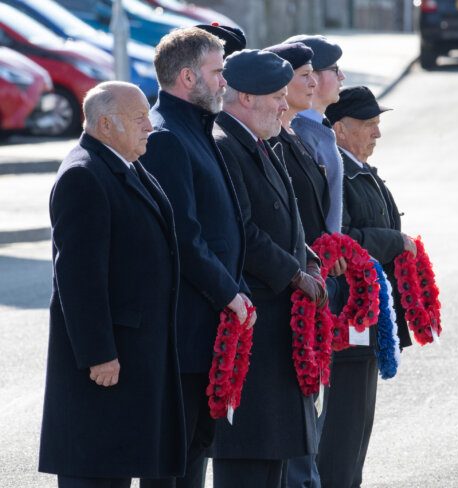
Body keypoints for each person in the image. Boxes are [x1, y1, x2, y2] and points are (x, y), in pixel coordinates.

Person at [38, 81, 186, 488]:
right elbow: (78, 278)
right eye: (139, 118)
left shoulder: (124, 162)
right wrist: (98, 353)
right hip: (106, 364)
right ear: (105, 123)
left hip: (135, 355)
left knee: (117, 466)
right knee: (96, 471)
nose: (149, 126)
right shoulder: (84, 175)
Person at [139, 28, 254, 488]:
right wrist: (230, 294)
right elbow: (182, 236)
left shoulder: (197, 126)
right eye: (217, 71)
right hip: (185, 333)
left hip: (208, 326)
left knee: (194, 458)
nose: (225, 81)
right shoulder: (166, 136)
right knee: (175, 468)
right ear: (188, 77)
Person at [210, 48, 327, 488]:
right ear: (244, 97)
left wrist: (308, 257)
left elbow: (285, 218)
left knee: (275, 461)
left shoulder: (259, 137)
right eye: (277, 95)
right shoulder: (225, 144)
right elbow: (242, 230)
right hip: (257, 322)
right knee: (251, 462)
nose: (285, 104)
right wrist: (294, 274)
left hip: (279, 325)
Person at [316, 86, 415, 488]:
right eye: (369, 124)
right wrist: (395, 242)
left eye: (378, 123)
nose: (377, 133)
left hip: (368, 319)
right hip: (349, 319)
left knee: (356, 432)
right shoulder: (339, 171)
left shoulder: (357, 167)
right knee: (342, 436)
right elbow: (343, 236)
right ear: (339, 129)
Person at [264, 41, 347, 488]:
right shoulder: (280, 139)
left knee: (308, 400)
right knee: (296, 407)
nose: (313, 82)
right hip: (296, 283)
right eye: (303, 75)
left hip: (316, 274)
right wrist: (310, 264)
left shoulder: (298, 135)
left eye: (317, 73)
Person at [284, 34, 346, 236]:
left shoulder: (316, 125)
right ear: (313, 76)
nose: (342, 76)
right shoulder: (300, 131)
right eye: (335, 70)